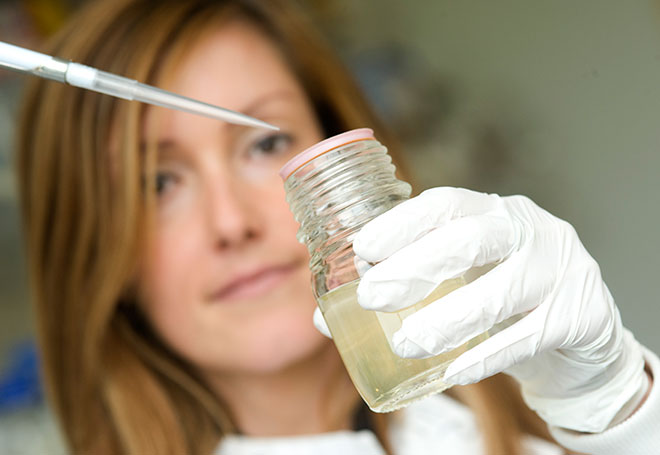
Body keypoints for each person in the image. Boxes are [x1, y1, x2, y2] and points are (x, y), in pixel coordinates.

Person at [15, 0, 658, 454]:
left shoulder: (542, 432)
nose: (232, 222)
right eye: (158, 184)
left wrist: (619, 407)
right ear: (96, 252)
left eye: (264, 145)